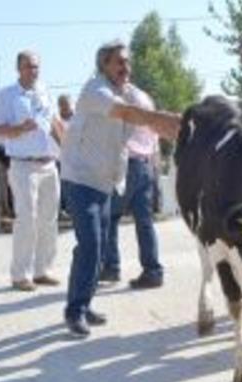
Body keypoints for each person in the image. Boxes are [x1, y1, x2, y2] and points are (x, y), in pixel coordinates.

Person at [60, 40, 180, 339]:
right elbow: (126, 113)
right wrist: (161, 118)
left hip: (104, 181)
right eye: (119, 63)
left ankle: (84, 305)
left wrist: (169, 126)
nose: (125, 68)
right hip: (80, 179)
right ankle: (74, 311)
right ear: (104, 66)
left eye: (127, 62)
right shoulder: (95, 89)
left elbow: (144, 118)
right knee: (90, 244)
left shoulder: (126, 92)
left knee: (97, 247)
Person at [0, 50, 64, 291]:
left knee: (49, 219)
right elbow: (0, 131)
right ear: (18, 69)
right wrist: (21, 129)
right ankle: (19, 275)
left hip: (48, 163)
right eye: (28, 66)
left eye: (36, 66)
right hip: (23, 166)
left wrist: (68, 149)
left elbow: (54, 122)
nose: (33, 70)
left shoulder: (44, 91)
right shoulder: (7, 95)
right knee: (27, 219)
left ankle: (42, 270)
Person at [100, 86, 165, 289]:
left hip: (126, 165)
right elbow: (155, 137)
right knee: (144, 222)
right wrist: (155, 169)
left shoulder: (121, 98)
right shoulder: (146, 98)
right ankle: (152, 271)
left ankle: (111, 267)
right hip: (145, 164)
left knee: (110, 217)